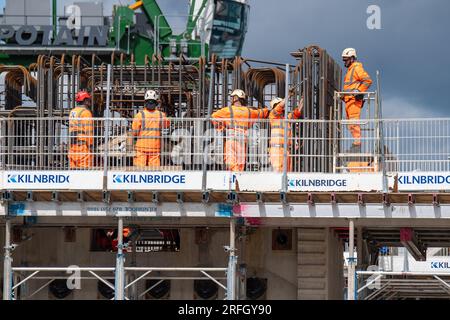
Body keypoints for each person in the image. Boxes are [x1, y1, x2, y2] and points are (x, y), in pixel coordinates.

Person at [211, 89, 270, 171]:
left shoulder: (227, 110)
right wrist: (268, 109)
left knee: (230, 160)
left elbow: (213, 117)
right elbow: (262, 113)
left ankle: (234, 179)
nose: (231, 99)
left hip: (231, 140)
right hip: (242, 141)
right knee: (240, 163)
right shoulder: (249, 111)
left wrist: (221, 128)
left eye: (232, 97)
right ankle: (238, 178)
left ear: (235, 98)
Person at [342, 48, 373, 150]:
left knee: (354, 122)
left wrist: (359, 91)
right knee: (351, 124)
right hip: (349, 101)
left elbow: (367, 80)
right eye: (344, 60)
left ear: (352, 58)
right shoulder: (350, 70)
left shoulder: (356, 68)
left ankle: (357, 144)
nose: (344, 62)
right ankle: (356, 143)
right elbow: (349, 87)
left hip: (354, 101)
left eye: (346, 59)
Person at [131, 90, 170, 167]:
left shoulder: (139, 115)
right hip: (155, 147)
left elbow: (134, 132)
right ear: (156, 102)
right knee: (154, 171)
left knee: (140, 169)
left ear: (145, 102)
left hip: (141, 147)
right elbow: (166, 125)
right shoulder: (161, 115)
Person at [269, 97, 303, 172]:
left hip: (286, 150)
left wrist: (303, 100)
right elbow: (279, 107)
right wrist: (288, 96)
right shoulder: (272, 116)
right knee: (278, 173)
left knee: (288, 173)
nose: (283, 107)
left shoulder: (286, 118)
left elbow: (297, 113)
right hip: (277, 150)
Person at [69, 91, 94, 169]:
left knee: (73, 171)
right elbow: (89, 130)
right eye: (89, 100)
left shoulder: (73, 111)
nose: (90, 102)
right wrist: (90, 145)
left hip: (72, 146)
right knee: (85, 171)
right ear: (85, 100)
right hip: (83, 147)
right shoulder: (86, 113)